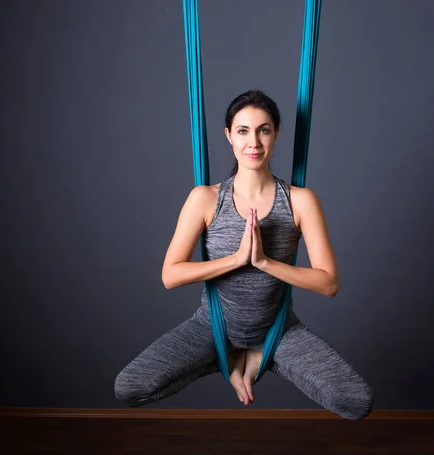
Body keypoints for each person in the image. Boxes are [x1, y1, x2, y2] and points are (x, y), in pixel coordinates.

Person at [114, 90, 374, 420]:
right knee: (130, 388)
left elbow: (329, 284)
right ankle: (231, 358)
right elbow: (170, 275)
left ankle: (256, 354)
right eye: (243, 131)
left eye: (264, 130)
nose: (254, 142)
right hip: (213, 328)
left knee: (356, 402)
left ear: (276, 133)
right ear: (228, 136)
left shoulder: (300, 201)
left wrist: (265, 262)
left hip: (277, 331)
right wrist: (236, 260)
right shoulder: (205, 200)